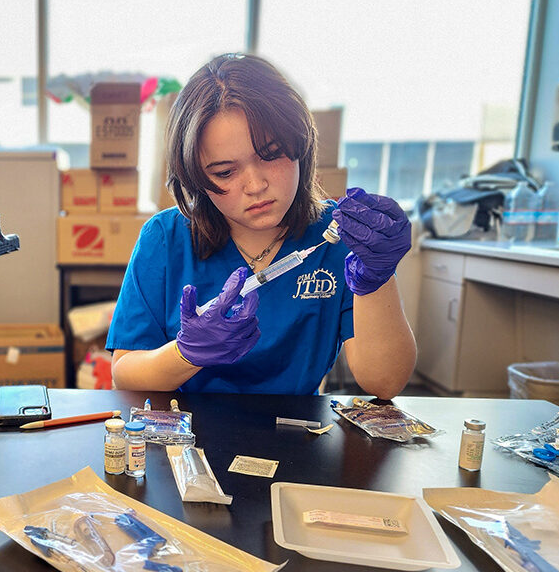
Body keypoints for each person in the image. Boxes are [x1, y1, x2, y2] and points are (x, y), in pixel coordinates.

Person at [107, 54, 416, 397]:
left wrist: (377, 279)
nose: (255, 186)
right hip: (186, 439)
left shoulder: (339, 238)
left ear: (301, 144)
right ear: (195, 177)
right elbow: (124, 374)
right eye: (225, 172)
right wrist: (186, 354)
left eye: (271, 154)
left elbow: (385, 383)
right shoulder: (166, 239)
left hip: (299, 439)